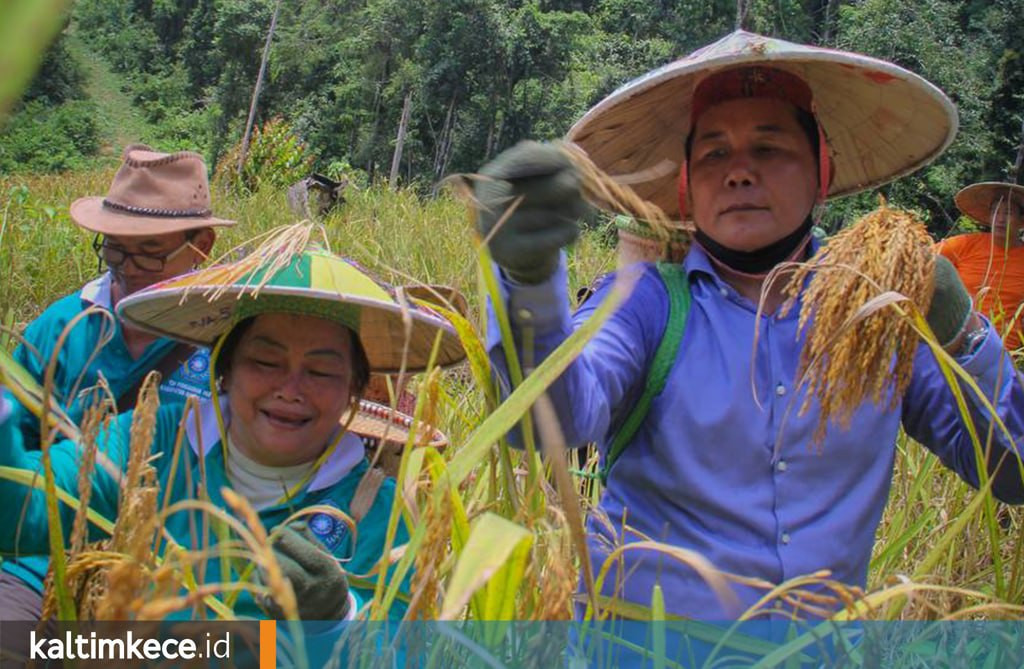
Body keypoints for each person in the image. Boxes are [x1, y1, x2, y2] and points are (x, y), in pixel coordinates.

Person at [474, 30, 1024, 620]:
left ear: (821, 170)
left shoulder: (877, 322)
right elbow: (547, 421)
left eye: (768, 148)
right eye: (714, 153)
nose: (738, 173)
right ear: (687, 185)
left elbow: (1013, 472)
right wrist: (526, 279)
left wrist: (960, 332)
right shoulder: (645, 304)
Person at [0, 243, 464, 623]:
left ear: (353, 391)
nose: (290, 389)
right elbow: (29, 512)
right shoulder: (157, 438)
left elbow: (395, 649)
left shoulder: (373, 512)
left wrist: (335, 617)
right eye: (265, 362)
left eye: (321, 371)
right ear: (224, 372)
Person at [1, 144, 232, 623]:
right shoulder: (63, 325)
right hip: (44, 563)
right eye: (114, 250)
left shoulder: (229, 340)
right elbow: (15, 458)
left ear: (202, 245)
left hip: (172, 580)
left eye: (149, 255)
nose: (125, 270)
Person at [937, 182, 1024, 351]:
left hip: (1004, 354)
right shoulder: (964, 245)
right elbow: (922, 263)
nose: (1000, 219)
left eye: (1007, 213)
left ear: (1021, 220)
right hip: (956, 349)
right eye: (995, 212)